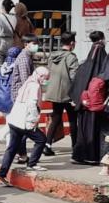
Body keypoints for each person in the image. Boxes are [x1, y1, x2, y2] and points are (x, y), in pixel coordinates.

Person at [0, 67, 52, 185]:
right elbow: (32, 104)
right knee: (41, 139)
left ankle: (2, 173)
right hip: (24, 121)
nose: (45, 80)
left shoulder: (28, 82)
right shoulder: (35, 86)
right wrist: (33, 120)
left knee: (12, 148)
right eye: (45, 78)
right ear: (40, 76)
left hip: (15, 119)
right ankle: (32, 164)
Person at [70, 31, 106, 165]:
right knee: (94, 130)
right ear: (102, 40)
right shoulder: (102, 63)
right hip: (95, 104)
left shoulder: (84, 65)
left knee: (83, 130)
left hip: (83, 104)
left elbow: (76, 84)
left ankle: (79, 155)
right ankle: (92, 156)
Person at [44, 32, 78, 154]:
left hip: (54, 92)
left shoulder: (52, 56)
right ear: (72, 43)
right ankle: (76, 147)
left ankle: (47, 145)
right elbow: (74, 77)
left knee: (56, 118)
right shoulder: (71, 57)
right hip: (67, 93)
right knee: (73, 119)